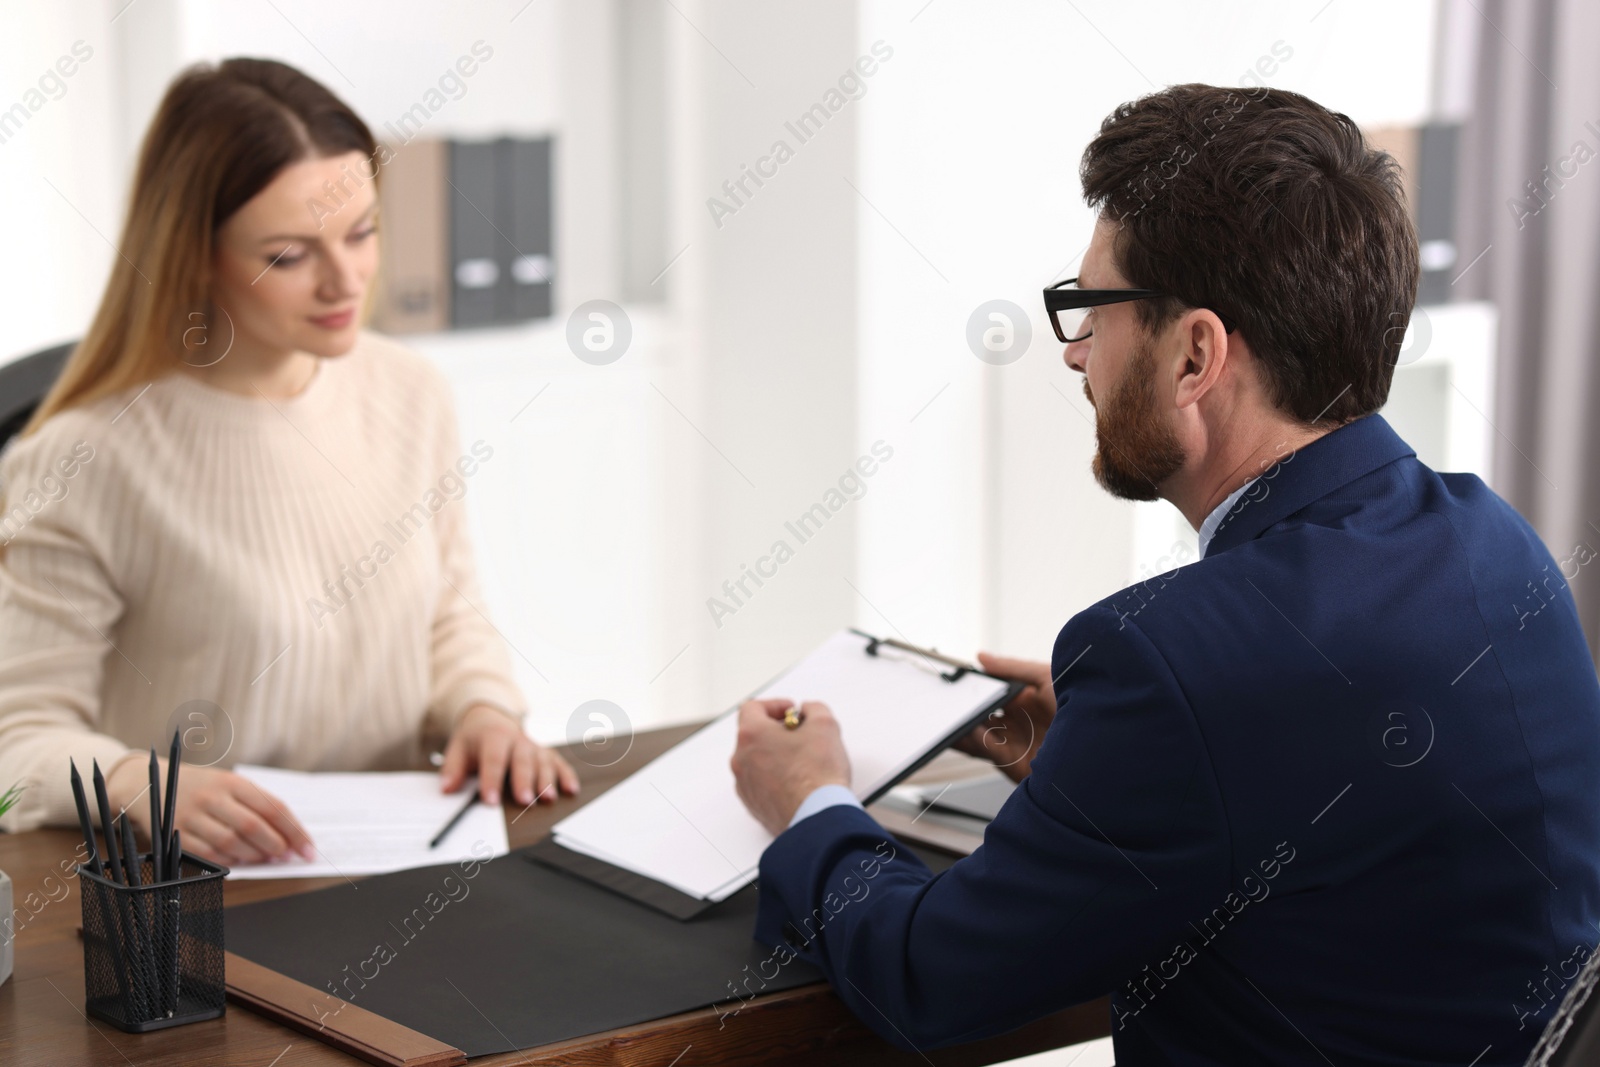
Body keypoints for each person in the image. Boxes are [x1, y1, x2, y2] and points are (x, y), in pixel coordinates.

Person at [730, 83, 1600, 1064]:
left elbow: (930, 978)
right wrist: (1112, 772)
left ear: (1194, 355)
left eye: (1090, 311)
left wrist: (808, 800)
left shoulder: (1172, 661)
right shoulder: (1496, 541)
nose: (1075, 357)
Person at [0, 58, 577, 863]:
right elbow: (17, 742)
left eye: (362, 232)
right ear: (195, 256)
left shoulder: (410, 391)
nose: (346, 280)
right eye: (287, 256)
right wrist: (139, 781)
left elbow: (447, 612)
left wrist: (484, 710)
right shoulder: (84, 459)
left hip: (396, 861)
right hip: (200, 900)